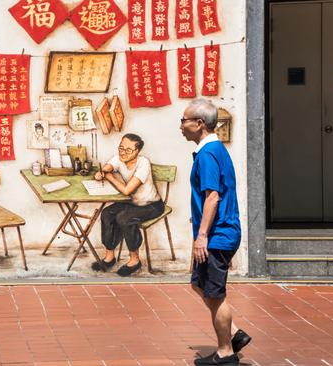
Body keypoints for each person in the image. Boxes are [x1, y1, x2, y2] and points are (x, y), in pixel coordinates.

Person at [180, 99, 251, 365]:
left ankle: (225, 352)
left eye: (184, 120)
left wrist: (202, 236)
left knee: (215, 294)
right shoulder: (213, 150)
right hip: (220, 231)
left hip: (218, 234)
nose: (181, 125)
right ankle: (234, 334)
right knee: (199, 284)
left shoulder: (208, 154)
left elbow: (213, 197)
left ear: (199, 124)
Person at [93, 133, 164, 276]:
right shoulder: (118, 158)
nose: (123, 153)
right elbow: (106, 168)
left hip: (151, 205)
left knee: (124, 218)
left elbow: (127, 190)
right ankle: (109, 257)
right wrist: (102, 172)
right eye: (121, 148)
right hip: (133, 203)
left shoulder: (143, 163)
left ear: (137, 151)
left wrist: (110, 177)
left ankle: (134, 260)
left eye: (128, 150)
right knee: (107, 213)